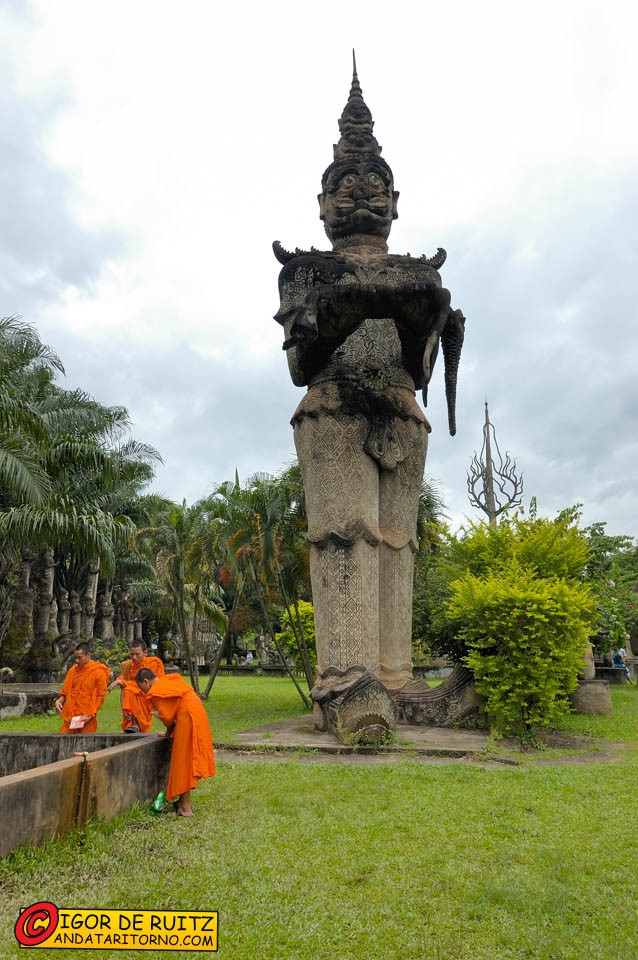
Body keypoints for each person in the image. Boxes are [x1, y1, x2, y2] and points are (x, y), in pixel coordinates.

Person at [273, 58, 464, 725]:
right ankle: (347, 686)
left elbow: (422, 364)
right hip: (334, 407)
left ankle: (396, 679)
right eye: (346, 184)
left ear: (395, 198)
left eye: (374, 182)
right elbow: (302, 363)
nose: (361, 193)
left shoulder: (418, 274)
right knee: (344, 536)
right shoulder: (305, 271)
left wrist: (421, 320)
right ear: (323, 203)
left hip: (400, 411)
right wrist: (350, 307)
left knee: (397, 543)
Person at [135, 668, 215, 816]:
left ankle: (185, 807)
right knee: (188, 760)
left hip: (187, 718)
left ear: (146, 682)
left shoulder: (156, 691)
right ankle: (181, 801)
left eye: (141, 688)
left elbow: (167, 718)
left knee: (182, 762)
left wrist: (167, 733)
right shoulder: (167, 680)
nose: (143, 692)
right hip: (197, 713)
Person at [107, 640, 165, 733]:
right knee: (129, 690)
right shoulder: (127, 666)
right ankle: (133, 724)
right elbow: (124, 685)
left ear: (145, 652)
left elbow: (157, 683)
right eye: (131, 654)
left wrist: (121, 682)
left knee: (129, 689)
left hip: (147, 697)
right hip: (130, 700)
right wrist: (123, 707)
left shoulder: (154, 663)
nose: (134, 657)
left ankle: (135, 724)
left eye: (137, 654)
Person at [55, 643, 110, 733]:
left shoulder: (98, 672)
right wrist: (59, 701)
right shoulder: (73, 670)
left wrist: (91, 715)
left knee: (83, 743)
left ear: (88, 655)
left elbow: (100, 696)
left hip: (86, 715)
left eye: (80, 657)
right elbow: (67, 692)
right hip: (70, 715)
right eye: (75, 657)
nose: (77, 660)